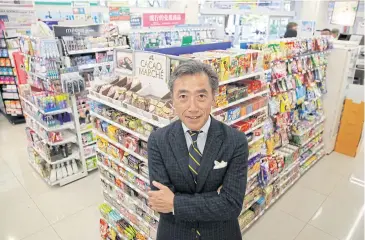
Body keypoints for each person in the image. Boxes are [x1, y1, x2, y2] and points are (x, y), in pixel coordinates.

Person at [147, 61, 249, 240]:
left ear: (213, 97)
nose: (192, 107)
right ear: (173, 100)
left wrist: (175, 203)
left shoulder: (235, 141)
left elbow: (231, 204)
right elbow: (161, 203)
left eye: (201, 96)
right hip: (174, 233)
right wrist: (215, 199)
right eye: (183, 96)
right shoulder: (157, 141)